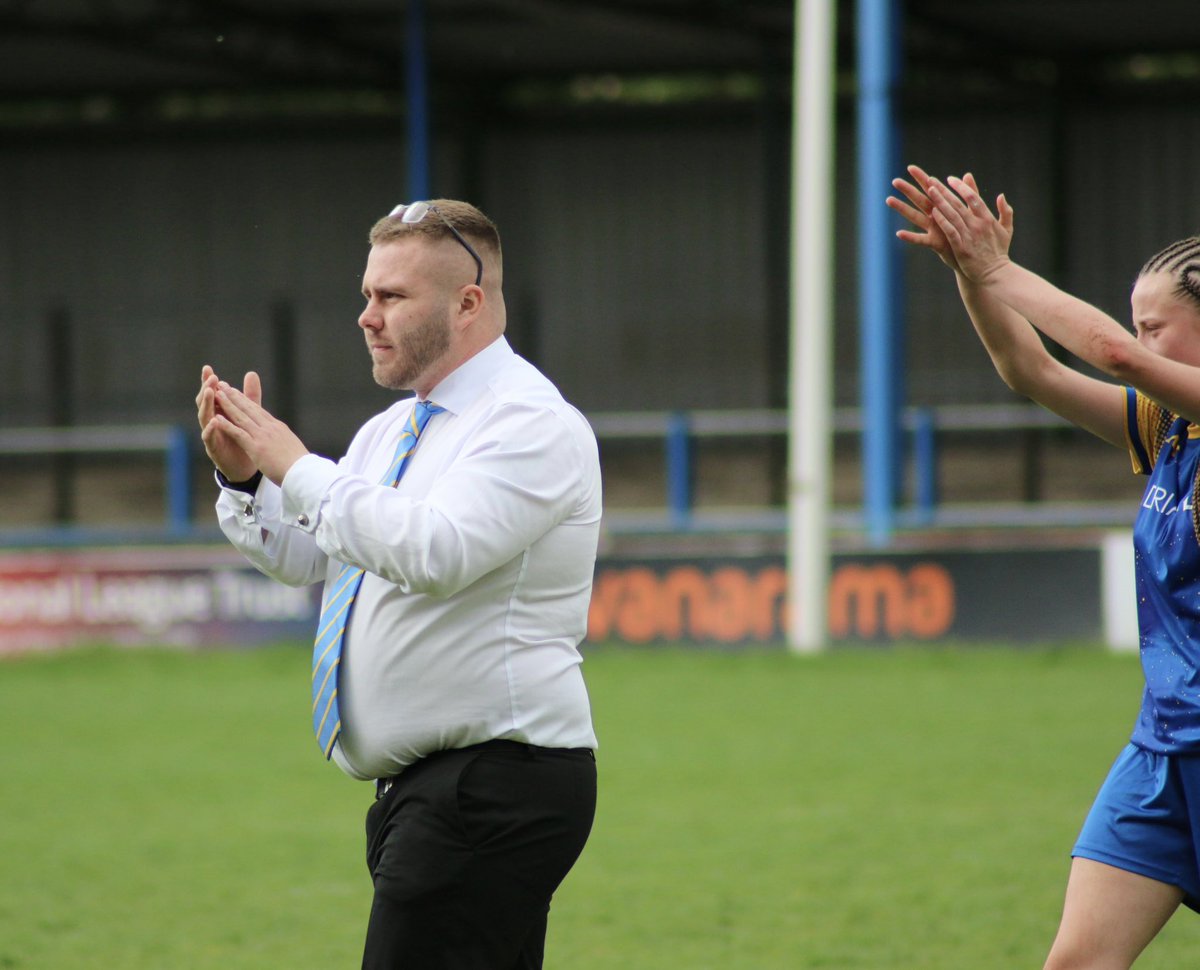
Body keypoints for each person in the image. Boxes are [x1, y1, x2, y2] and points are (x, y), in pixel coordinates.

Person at [195, 198, 601, 970]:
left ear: (468, 303)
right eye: (366, 294)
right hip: (433, 793)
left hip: (492, 785)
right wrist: (245, 478)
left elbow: (436, 552)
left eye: (390, 297)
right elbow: (311, 555)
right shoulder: (393, 428)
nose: (365, 316)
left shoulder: (530, 422)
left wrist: (298, 466)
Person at [887, 164, 1200, 969]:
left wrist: (1000, 266)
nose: (1137, 343)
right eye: (1134, 324)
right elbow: (1034, 371)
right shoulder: (1172, 430)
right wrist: (972, 278)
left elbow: (1108, 357)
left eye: (1154, 327)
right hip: (1161, 747)